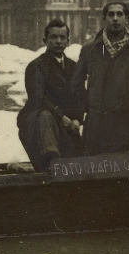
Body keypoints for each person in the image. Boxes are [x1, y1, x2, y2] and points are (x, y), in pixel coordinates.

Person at [70, 1, 129, 155]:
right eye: (111, 14)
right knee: (93, 165)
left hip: (124, 123)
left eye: (119, 14)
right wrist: (89, 104)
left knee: (120, 166)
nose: (115, 18)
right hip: (95, 124)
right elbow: (76, 82)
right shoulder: (90, 49)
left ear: (127, 19)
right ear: (104, 18)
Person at [17, 19, 84, 172]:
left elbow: (80, 97)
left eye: (62, 37)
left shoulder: (74, 67)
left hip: (67, 125)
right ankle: (50, 158)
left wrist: (77, 119)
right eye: (53, 37)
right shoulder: (36, 66)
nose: (58, 41)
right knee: (45, 115)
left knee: (77, 165)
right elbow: (38, 98)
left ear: (68, 41)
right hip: (38, 124)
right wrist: (61, 116)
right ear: (45, 40)